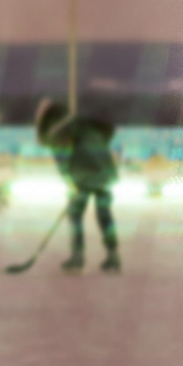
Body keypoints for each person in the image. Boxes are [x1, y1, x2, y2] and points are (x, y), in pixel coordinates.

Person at [37, 99, 122, 273]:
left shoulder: (64, 131)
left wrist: (72, 184)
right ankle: (109, 255)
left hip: (88, 177)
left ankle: (80, 257)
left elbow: (64, 160)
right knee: (102, 215)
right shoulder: (83, 128)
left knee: (80, 215)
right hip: (99, 176)